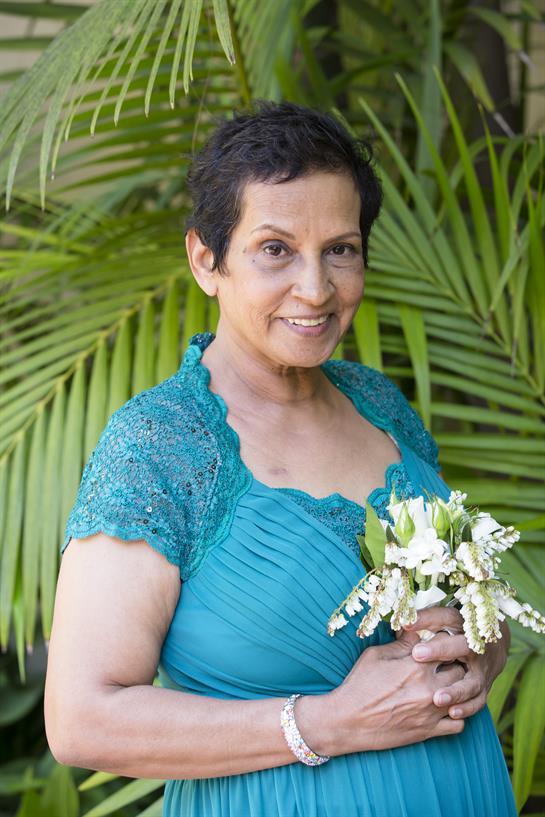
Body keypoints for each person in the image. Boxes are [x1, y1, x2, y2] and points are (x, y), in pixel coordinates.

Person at [44, 101, 516, 817]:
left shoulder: (380, 405)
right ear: (207, 259)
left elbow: (469, 615)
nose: (316, 289)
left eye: (340, 248)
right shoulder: (161, 445)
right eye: (275, 249)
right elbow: (81, 720)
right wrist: (325, 722)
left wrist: (476, 655)